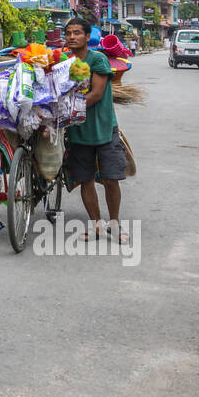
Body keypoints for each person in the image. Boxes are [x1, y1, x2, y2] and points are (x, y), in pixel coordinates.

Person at [63, 17, 128, 243]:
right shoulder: (65, 63)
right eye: (69, 33)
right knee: (86, 180)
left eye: (77, 32)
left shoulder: (98, 59)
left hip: (103, 129)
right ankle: (96, 225)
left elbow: (96, 94)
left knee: (111, 179)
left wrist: (66, 111)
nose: (72, 36)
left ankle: (115, 224)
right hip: (78, 132)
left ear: (87, 36)